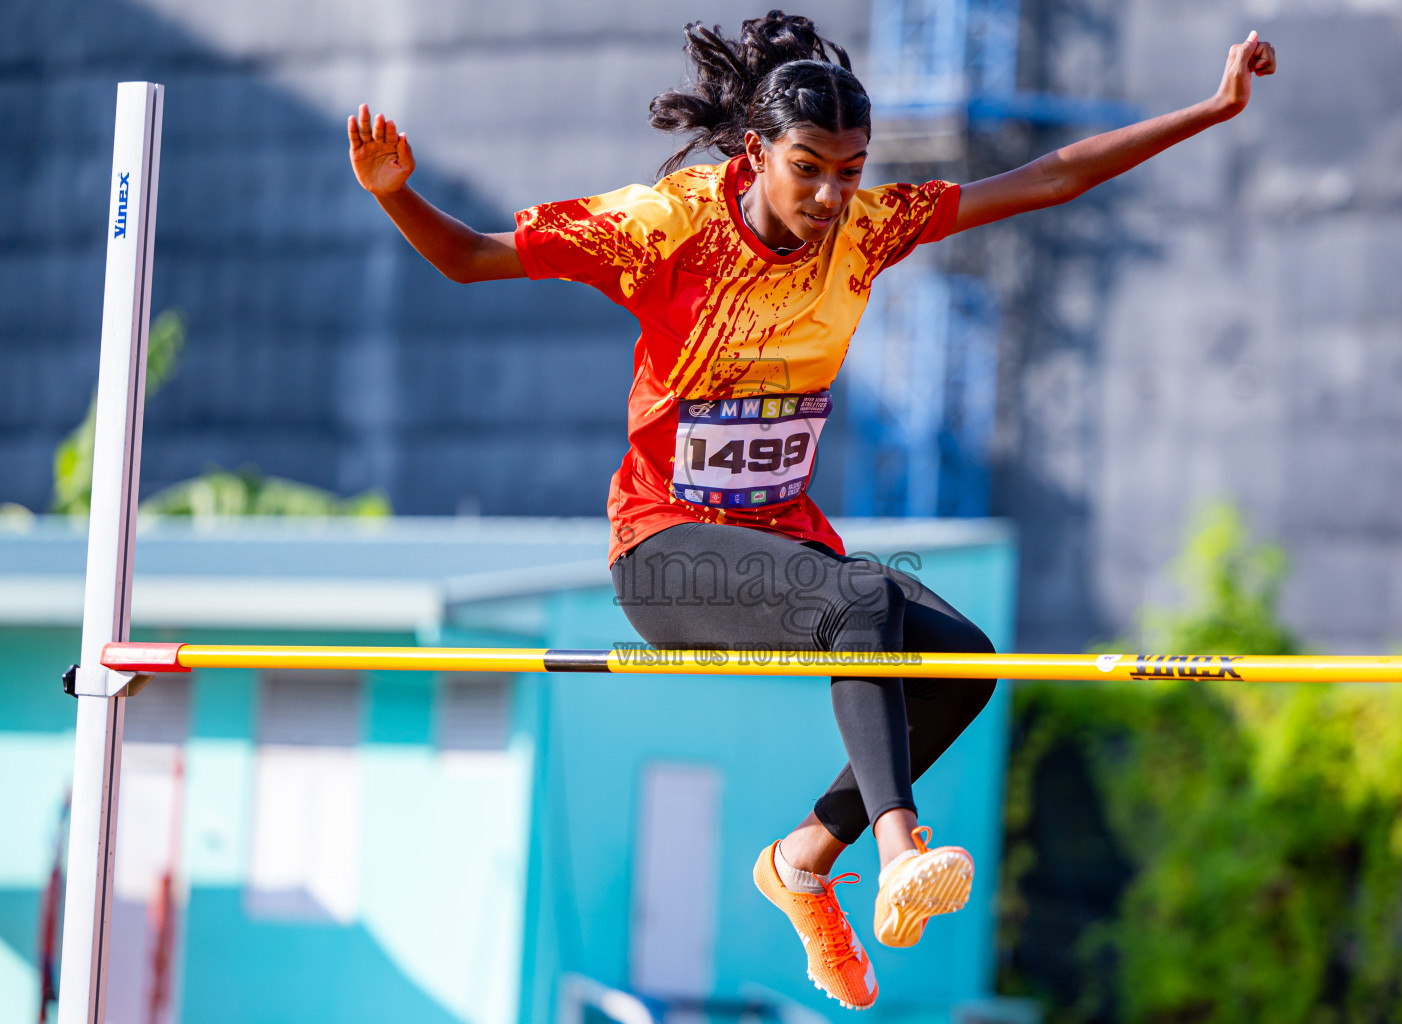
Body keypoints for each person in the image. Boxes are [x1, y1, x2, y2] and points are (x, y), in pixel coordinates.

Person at [348, 10, 1275, 1009]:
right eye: (810, 168)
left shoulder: (868, 231)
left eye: (853, 169)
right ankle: (899, 848)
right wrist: (399, 197)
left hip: (785, 546)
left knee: (964, 667)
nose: (834, 195)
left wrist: (1212, 109)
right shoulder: (668, 227)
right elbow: (472, 258)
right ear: (756, 153)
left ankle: (800, 861)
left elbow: (1050, 176)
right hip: (665, 552)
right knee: (861, 599)